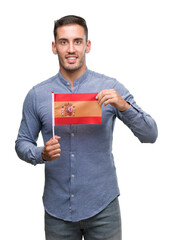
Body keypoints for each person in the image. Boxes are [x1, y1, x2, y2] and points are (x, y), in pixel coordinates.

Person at [15, 15, 158, 240]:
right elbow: (22, 142)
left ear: (87, 45)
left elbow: (150, 134)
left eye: (77, 41)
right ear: (54, 47)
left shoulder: (110, 87)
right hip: (57, 211)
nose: (71, 49)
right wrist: (40, 153)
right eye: (64, 42)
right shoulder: (37, 95)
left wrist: (124, 105)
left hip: (103, 208)